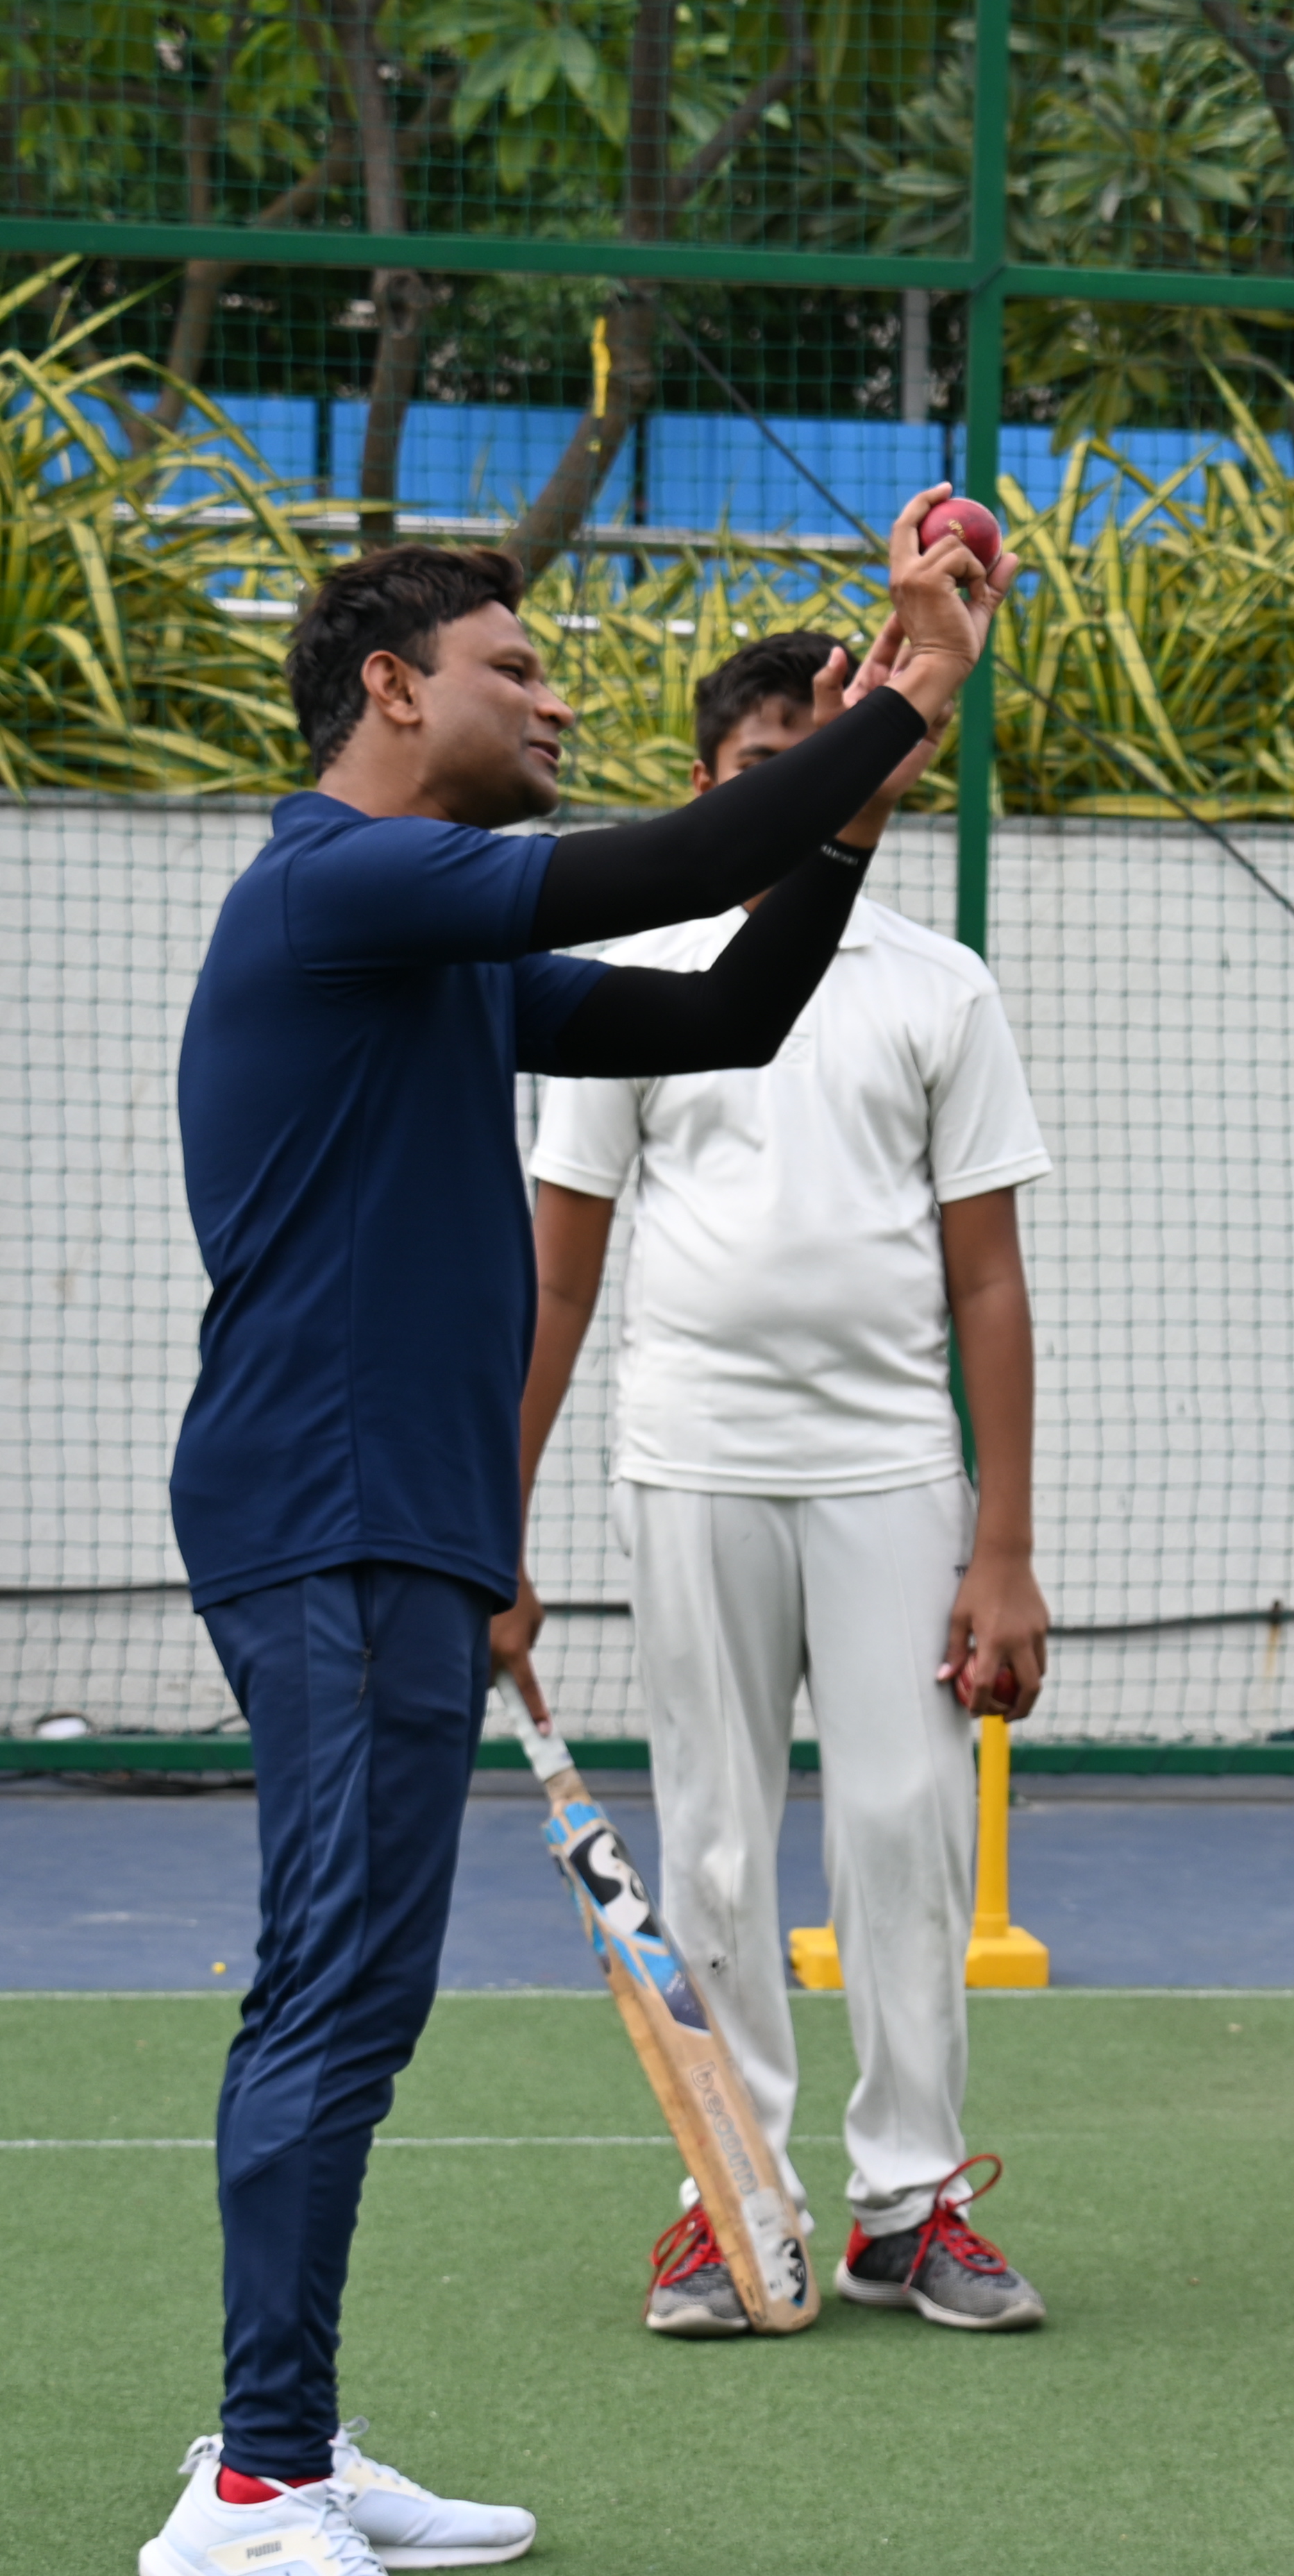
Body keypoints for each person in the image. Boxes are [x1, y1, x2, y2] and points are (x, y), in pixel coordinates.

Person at [145, 503, 1009, 2576]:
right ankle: (251, 2486)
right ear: (389, 687)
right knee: (332, 1990)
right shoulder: (341, 883)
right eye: (515, 671)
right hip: (329, 1507)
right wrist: (901, 688)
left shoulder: (431, 959)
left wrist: (867, 807)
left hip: (402, 1516)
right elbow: (678, 863)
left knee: (356, 1988)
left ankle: (291, 2442)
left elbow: (720, 1002)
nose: (556, 698)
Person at [499, 628, 1056, 2339]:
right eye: (764, 771)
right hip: (690, 1464)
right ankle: (733, 2194)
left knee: (904, 1830)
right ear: (705, 786)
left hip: (891, 1469)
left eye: (845, 754)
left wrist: (1006, 1550)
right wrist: (490, 1523)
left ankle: (914, 2199)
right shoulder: (633, 971)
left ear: (893, 768)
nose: (808, 790)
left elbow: (987, 1282)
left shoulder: (935, 984)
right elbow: (561, 1280)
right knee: (720, 1844)